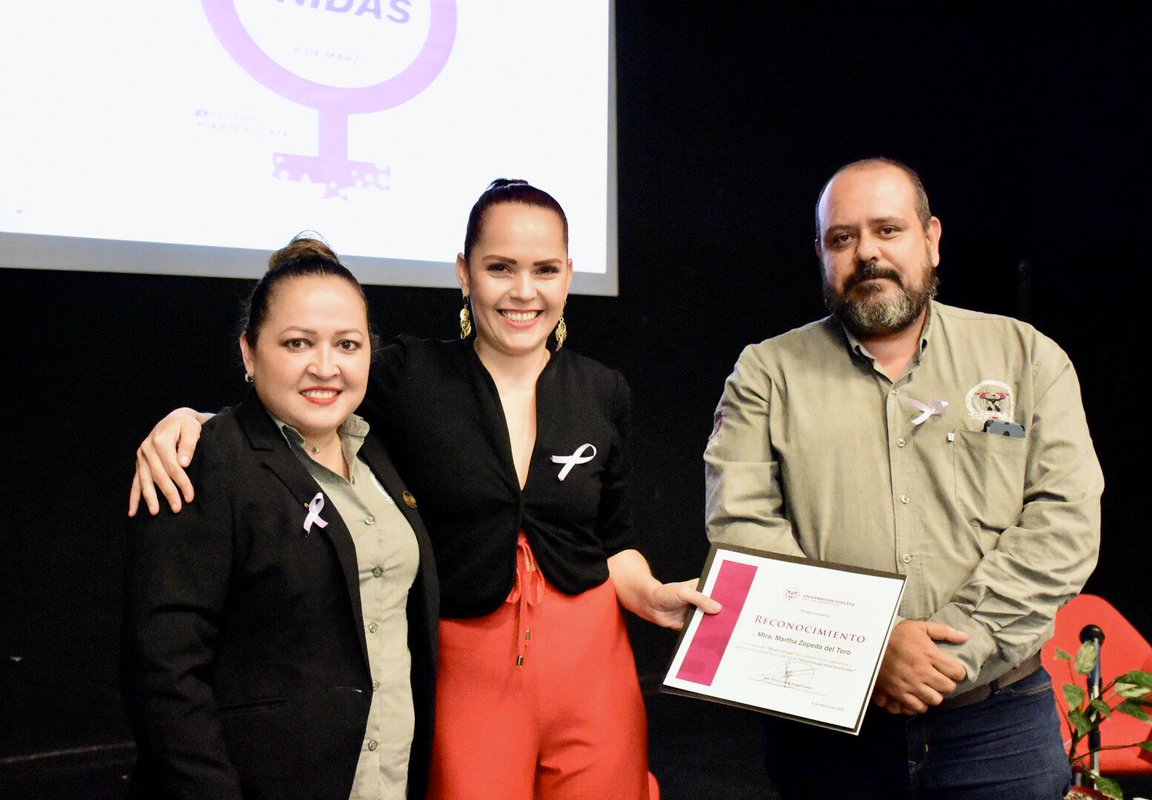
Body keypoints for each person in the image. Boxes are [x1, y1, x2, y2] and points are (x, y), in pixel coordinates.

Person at [128, 179, 721, 800]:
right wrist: (193, 421)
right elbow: (309, 393)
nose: (524, 291)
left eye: (545, 269)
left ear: (569, 274)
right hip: (465, 674)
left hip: (594, 670)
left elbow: (612, 540)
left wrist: (651, 593)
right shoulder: (408, 376)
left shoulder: (604, 391)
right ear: (465, 273)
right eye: (500, 268)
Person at [703, 158, 1103, 799]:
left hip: (999, 733)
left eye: (888, 230)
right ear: (822, 253)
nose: (867, 253)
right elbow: (743, 533)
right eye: (843, 238)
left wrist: (945, 655)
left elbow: (1065, 522)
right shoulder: (765, 374)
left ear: (932, 238)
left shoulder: (1027, 359)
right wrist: (867, 650)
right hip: (829, 734)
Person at [121, 238, 439, 799]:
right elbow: (165, 676)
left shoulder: (379, 456)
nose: (325, 366)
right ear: (249, 352)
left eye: (347, 343)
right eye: (297, 343)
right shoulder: (203, 464)